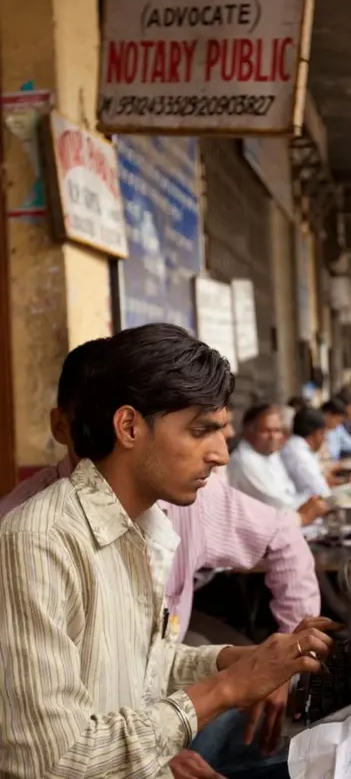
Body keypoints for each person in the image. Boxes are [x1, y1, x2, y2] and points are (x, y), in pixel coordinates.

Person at [0, 323, 332, 778]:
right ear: (130, 426)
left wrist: (234, 660)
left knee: (325, 744)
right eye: (201, 431)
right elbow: (54, 762)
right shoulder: (37, 540)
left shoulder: (141, 522)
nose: (221, 455)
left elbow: (142, 666)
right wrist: (226, 689)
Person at [227, 403, 328, 526]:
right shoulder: (244, 461)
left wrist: (312, 501)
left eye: (277, 431)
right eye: (267, 431)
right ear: (248, 431)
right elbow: (279, 505)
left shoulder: (270, 454)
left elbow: (288, 492)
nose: (273, 436)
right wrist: (310, 504)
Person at [281, 407, 332, 499]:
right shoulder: (299, 454)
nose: (324, 439)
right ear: (318, 433)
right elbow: (320, 492)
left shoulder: (295, 447)